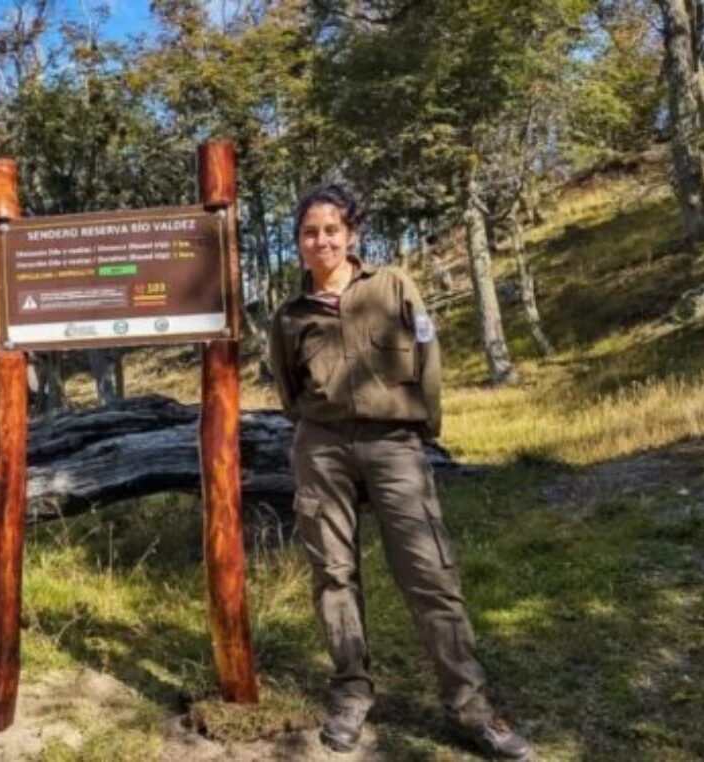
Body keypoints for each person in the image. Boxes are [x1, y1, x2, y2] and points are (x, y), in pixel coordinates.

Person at [269, 184, 532, 760]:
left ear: (351, 235)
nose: (322, 241)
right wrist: (322, 430)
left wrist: (419, 428)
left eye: (332, 230)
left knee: (429, 574)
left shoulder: (393, 286)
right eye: (310, 232)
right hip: (322, 448)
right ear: (298, 243)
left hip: (395, 445)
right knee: (333, 575)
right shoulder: (290, 316)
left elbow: (428, 358)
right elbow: (289, 391)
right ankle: (350, 693)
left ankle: (471, 706)